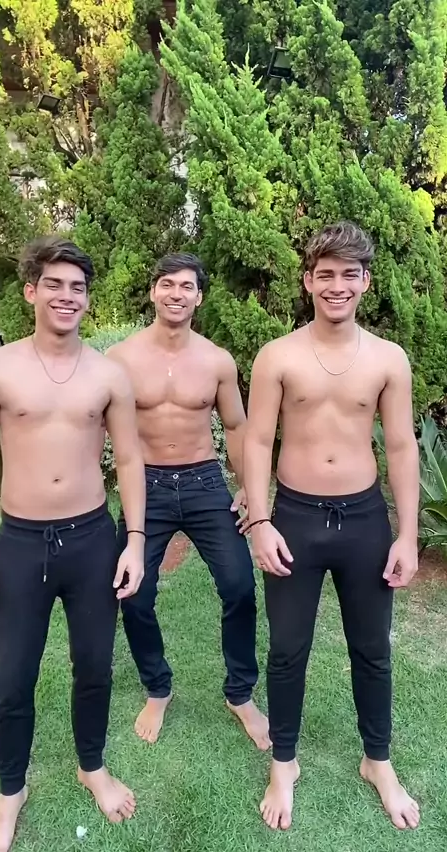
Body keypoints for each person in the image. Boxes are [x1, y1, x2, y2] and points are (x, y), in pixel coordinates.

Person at [0, 236, 146, 852]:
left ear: (87, 299)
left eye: (77, 287)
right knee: (11, 677)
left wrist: (135, 541)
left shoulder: (109, 374)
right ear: (31, 291)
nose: (67, 296)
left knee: (94, 666)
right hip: (20, 544)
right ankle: (10, 793)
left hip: (92, 540)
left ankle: (91, 765)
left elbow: (130, 459)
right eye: (54, 284)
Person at [243, 221, 420, 832]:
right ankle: (284, 762)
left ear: (366, 281)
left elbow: (401, 446)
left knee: (372, 650)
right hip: (294, 518)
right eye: (325, 274)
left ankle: (378, 760)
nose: (337, 285)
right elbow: (257, 440)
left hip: (364, 520)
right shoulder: (277, 356)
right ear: (308, 281)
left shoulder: (389, 359)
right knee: (287, 649)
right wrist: (259, 522)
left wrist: (406, 534)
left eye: (349, 274)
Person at [106, 252, 270, 750]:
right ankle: (158, 688)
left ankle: (240, 693)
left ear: (199, 297)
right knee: (133, 593)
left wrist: (249, 486)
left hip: (204, 483)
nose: (176, 293)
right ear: (153, 292)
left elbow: (237, 426)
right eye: (167, 284)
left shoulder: (217, 360)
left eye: (186, 286)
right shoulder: (120, 359)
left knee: (239, 587)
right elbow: (101, 430)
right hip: (146, 486)